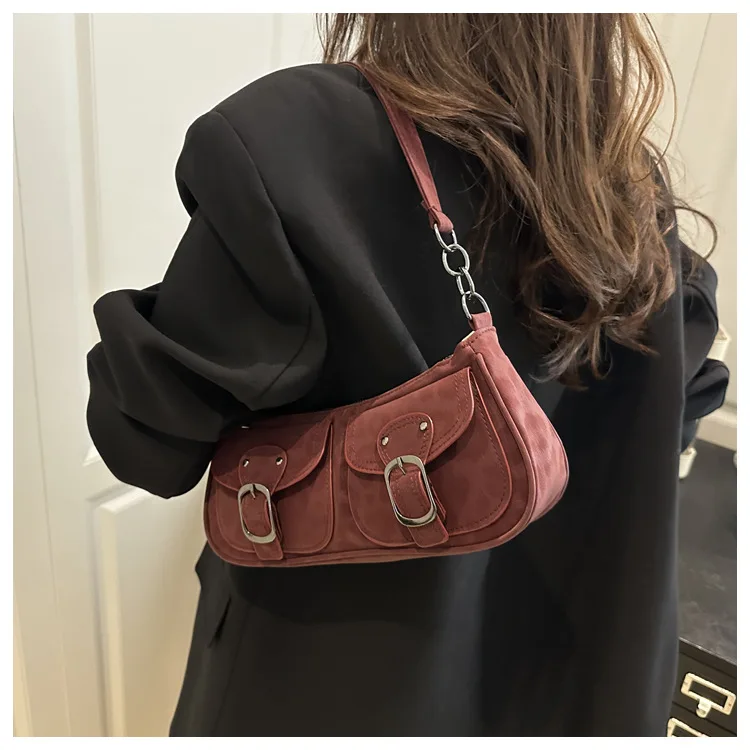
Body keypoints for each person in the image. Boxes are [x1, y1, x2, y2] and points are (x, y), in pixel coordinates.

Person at [86, 14, 722, 736]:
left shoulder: (304, 139)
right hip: (571, 686)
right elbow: (677, 408)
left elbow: (146, 443)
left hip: (326, 692)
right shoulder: (631, 181)